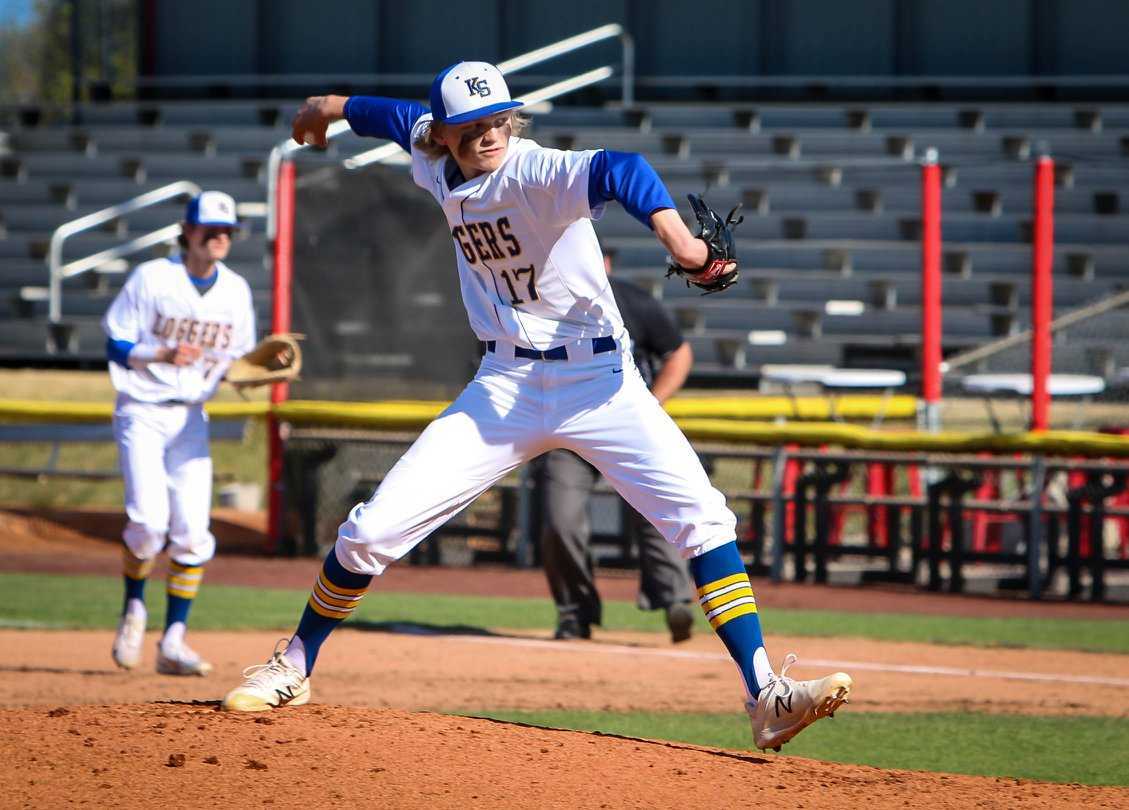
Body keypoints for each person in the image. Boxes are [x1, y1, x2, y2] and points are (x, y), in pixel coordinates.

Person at [221, 61, 852, 752]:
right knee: (371, 532)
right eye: (473, 124)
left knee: (702, 518)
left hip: (601, 383)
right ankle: (295, 663)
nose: (489, 133)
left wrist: (678, 240)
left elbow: (623, 167)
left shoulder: (533, 169)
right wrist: (327, 107)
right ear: (446, 131)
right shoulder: (431, 150)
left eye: (499, 119)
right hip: (505, 386)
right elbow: (384, 113)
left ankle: (764, 694)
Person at [103, 191, 256, 677]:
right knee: (148, 524)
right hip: (142, 409)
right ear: (187, 232)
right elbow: (115, 341)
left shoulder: (236, 291)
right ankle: (133, 607)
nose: (218, 239)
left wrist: (259, 373)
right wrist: (159, 355)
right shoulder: (153, 278)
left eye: (226, 232)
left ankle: (173, 640)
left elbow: (241, 361)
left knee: (192, 531)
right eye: (209, 230)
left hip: (192, 416)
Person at [540, 249, 697, 643]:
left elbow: (678, 352)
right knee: (561, 519)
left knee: (656, 509)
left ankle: (676, 600)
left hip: (627, 425)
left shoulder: (631, 300)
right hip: (566, 430)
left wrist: (654, 403)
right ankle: (575, 612)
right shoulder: (545, 306)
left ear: (605, 263)